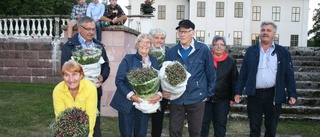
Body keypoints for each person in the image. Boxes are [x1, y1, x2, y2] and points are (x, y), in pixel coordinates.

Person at [234, 21, 298, 137]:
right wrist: (238, 91)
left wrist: (292, 94)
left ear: (274, 34)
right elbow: (243, 73)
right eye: (263, 30)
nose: (265, 33)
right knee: (254, 126)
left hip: (273, 94)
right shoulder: (251, 51)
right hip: (254, 94)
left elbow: (289, 74)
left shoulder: (282, 52)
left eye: (268, 31)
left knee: (271, 127)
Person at [163, 19, 216, 137]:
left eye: (185, 31)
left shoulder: (203, 49)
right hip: (176, 98)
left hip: (197, 98)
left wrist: (207, 94)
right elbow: (165, 75)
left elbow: (211, 74)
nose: (182, 34)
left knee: (196, 132)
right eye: (180, 32)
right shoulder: (171, 51)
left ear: (193, 33)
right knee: (174, 131)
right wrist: (166, 90)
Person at [61, 16, 110, 137]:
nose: (91, 32)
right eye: (88, 29)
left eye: (93, 29)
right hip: (75, 93)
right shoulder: (69, 46)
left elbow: (106, 66)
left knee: (94, 123)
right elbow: (64, 68)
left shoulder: (99, 46)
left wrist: (102, 77)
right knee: (76, 124)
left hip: (95, 91)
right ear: (79, 28)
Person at [110, 33, 162, 137]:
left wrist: (159, 94)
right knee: (126, 133)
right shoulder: (128, 59)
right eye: (142, 41)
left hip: (144, 103)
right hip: (127, 103)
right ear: (137, 44)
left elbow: (159, 81)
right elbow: (119, 81)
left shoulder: (154, 61)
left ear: (151, 46)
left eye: (148, 42)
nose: (145, 44)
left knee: (141, 133)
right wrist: (132, 96)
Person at [201, 35, 239, 137]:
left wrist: (232, 97)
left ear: (225, 47)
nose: (219, 47)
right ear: (212, 46)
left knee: (220, 125)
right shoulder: (205, 59)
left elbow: (234, 80)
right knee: (203, 125)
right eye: (216, 44)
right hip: (205, 99)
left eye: (221, 44)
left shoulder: (230, 62)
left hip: (222, 99)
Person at [53, 60, 98, 137]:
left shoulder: (90, 88)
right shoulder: (58, 90)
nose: (71, 79)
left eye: (74, 74)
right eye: (67, 75)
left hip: (86, 120)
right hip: (67, 123)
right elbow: (60, 117)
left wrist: (88, 134)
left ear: (81, 75)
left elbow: (91, 115)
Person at [149, 28, 169, 137]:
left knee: (158, 118)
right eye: (156, 38)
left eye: (162, 38)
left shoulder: (168, 52)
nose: (159, 40)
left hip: (162, 91)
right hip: (146, 90)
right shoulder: (145, 50)